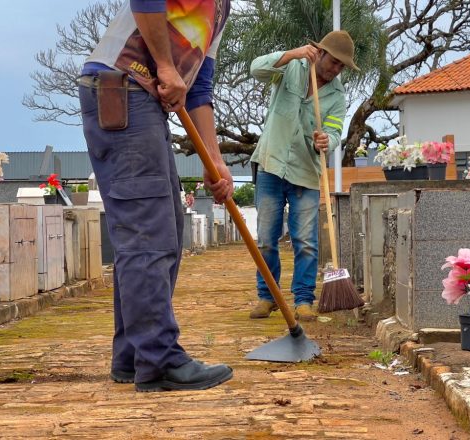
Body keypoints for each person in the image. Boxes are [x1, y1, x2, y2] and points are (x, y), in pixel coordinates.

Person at [78, 0, 234, 392]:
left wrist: (214, 161)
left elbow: (198, 86)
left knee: (163, 228)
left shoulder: (220, 9)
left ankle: (133, 355)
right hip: (123, 87)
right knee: (148, 230)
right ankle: (159, 359)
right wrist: (165, 65)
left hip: (146, 102)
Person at [248, 31, 358, 321]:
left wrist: (328, 141)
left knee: (305, 241)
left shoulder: (337, 97)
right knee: (266, 239)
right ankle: (266, 296)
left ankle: (303, 300)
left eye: (341, 66)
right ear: (319, 53)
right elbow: (256, 68)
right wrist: (292, 54)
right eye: (333, 62)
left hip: (306, 172)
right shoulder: (292, 68)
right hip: (271, 162)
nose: (335, 69)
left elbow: (335, 132)